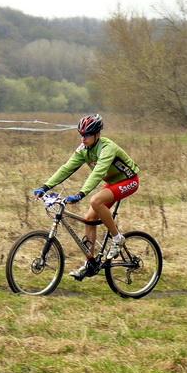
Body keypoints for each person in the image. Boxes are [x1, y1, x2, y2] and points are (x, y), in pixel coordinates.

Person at [33, 114, 140, 281]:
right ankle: (90, 263)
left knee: (95, 201)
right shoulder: (84, 149)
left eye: (87, 135)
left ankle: (117, 238)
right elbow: (67, 168)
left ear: (97, 134)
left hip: (129, 181)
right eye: (81, 135)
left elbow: (98, 173)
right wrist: (45, 186)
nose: (83, 139)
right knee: (89, 218)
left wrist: (81, 193)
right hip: (112, 183)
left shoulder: (107, 148)